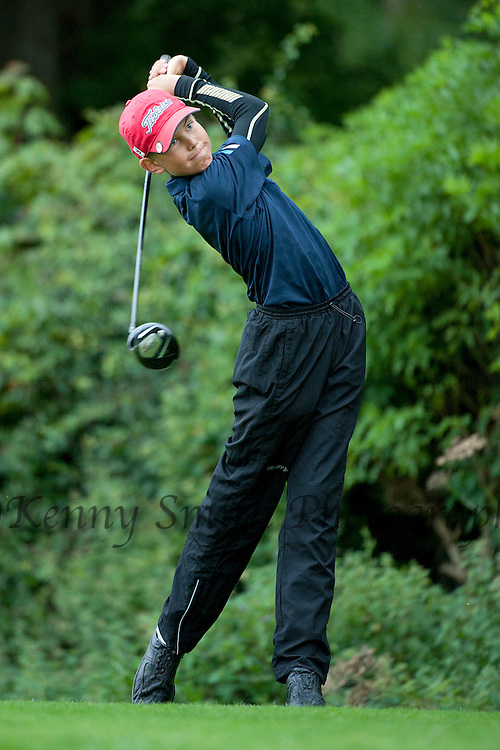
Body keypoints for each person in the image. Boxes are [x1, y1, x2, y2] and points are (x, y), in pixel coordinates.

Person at [119, 54, 366, 707]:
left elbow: (230, 117)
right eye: (171, 142)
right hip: (282, 347)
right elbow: (253, 111)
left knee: (315, 506)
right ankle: (164, 653)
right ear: (153, 165)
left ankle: (304, 676)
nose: (192, 138)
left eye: (190, 123)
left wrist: (180, 84)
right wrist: (192, 83)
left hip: (342, 327)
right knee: (236, 507)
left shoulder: (210, 159)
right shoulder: (214, 184)